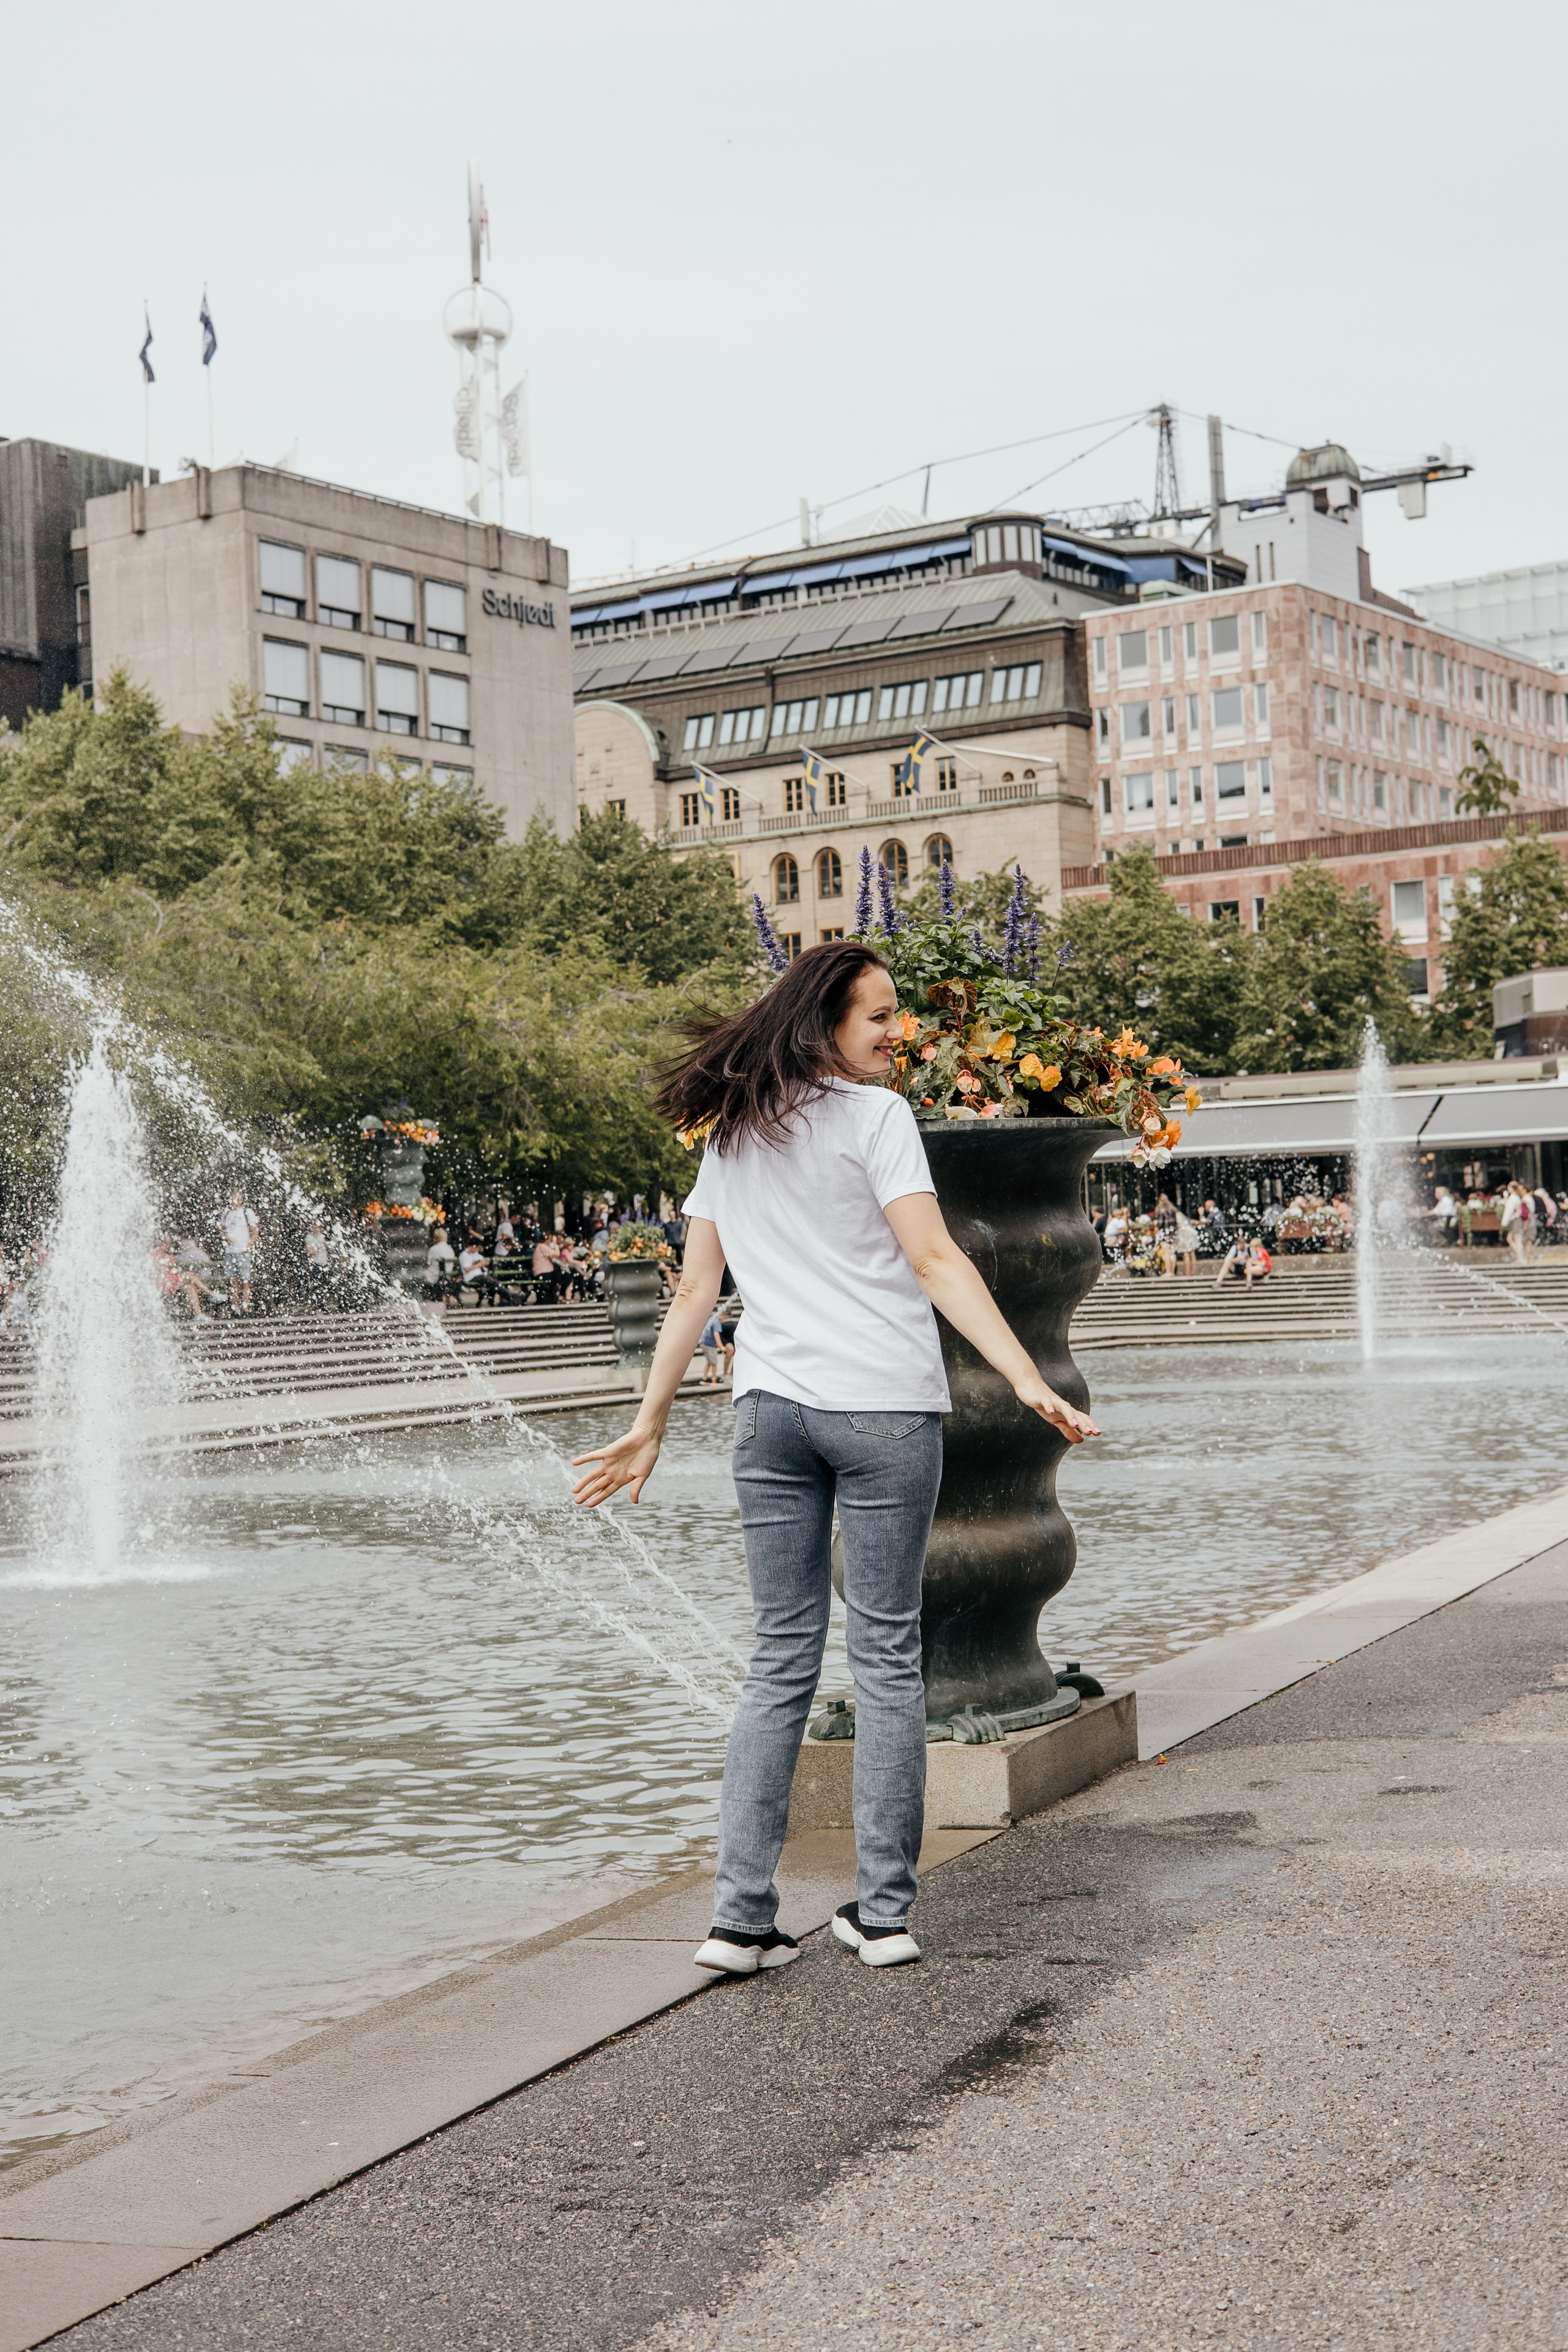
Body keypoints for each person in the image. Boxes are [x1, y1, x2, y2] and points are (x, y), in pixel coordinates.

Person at [571, 940, 1097, 1978]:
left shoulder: (735, 1131)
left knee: (778, 1661)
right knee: (890, 1656)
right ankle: (884, 1913)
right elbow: (934, 1257)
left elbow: (694, 1294)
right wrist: (1025, 1372)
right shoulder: (877, 1119)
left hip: (770, 1415)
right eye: (880, 1018)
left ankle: (738, 1920)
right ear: (826, 1027)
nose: (898, 1032)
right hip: (882, 1412)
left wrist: (652, 1420)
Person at [220, 1191, 259, 1314]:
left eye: (237, 1198)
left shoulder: (247, 1213)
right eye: (232, 1198)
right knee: (234, 1281)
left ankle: (246, 1307)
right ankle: (236, 1308)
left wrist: (249, 1246)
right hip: (230, 1252)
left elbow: (255, 1231)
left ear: (241, 1200)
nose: (234, 1201)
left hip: (243, 1252)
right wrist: (226, 1238)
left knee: (245, 1281)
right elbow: (222, 1231)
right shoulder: (226, 1214)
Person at [458, 1236, 500, 1305]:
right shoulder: (464, 1255)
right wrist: (479, 1264)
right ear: (473, 1246)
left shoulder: (475, 1254)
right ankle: (507, 1296)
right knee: (494, 1283)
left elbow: (486, 1261)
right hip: (471, 1277)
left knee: (493, 1281)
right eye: (478, 1248)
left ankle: (489, 1300)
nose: (478, 1250)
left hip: (480, 1276)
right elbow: (467, 1269)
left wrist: (479, 1263)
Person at [423, 1224, 458, 1301]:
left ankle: (422, 1298)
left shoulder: (434, 1249)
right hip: (447, 1276)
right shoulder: (450, 1249)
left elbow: (427, 1264)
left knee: (417, 1275)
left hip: (435, 1276)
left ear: (437, 1238)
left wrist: (423, 1269)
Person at [304, 1219, 332, 1309]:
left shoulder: (321, 1236)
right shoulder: (309, 1237)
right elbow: (310, 1252)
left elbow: (326, 1250)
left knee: (324, 1285)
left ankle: (322, 1305)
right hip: (315, 1264)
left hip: (324, 1263)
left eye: (319, 1227)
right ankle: (317, 1306)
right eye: (315, 1227)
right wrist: (320, 1247)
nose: (317, 1229)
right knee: (316, 1285)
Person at [698, 1306, 725, 1385]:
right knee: (714, 1363)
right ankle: (714, 1380)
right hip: (710, 1345)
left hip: (704, 1343)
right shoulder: (716, 1322)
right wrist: (721, 1346)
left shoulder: (711, 1318)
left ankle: (705, 1378)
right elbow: (716, 1334)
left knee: (709, 1362)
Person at [1153, 1193, 1177, 1278]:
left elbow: (1160, 1224)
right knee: (1172, 1253)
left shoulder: (1161, 1209)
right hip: (1173, 1234)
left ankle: (1168, 1272)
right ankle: (1173, 1272)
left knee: (1167, 1253)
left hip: (1165, 1234)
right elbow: (1176, 1222)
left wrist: (1156, 1225)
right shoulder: (1172, 1209)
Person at [1173, 1203, 1200, 1278]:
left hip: (1183, 1234)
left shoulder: (1176, 1215)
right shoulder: (1181, 1214)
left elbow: (1178, 1224)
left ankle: (1187, 1272)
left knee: (1185, 1253)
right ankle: (1192, 1272)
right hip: (1190, 1233)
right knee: (1192, 1253)